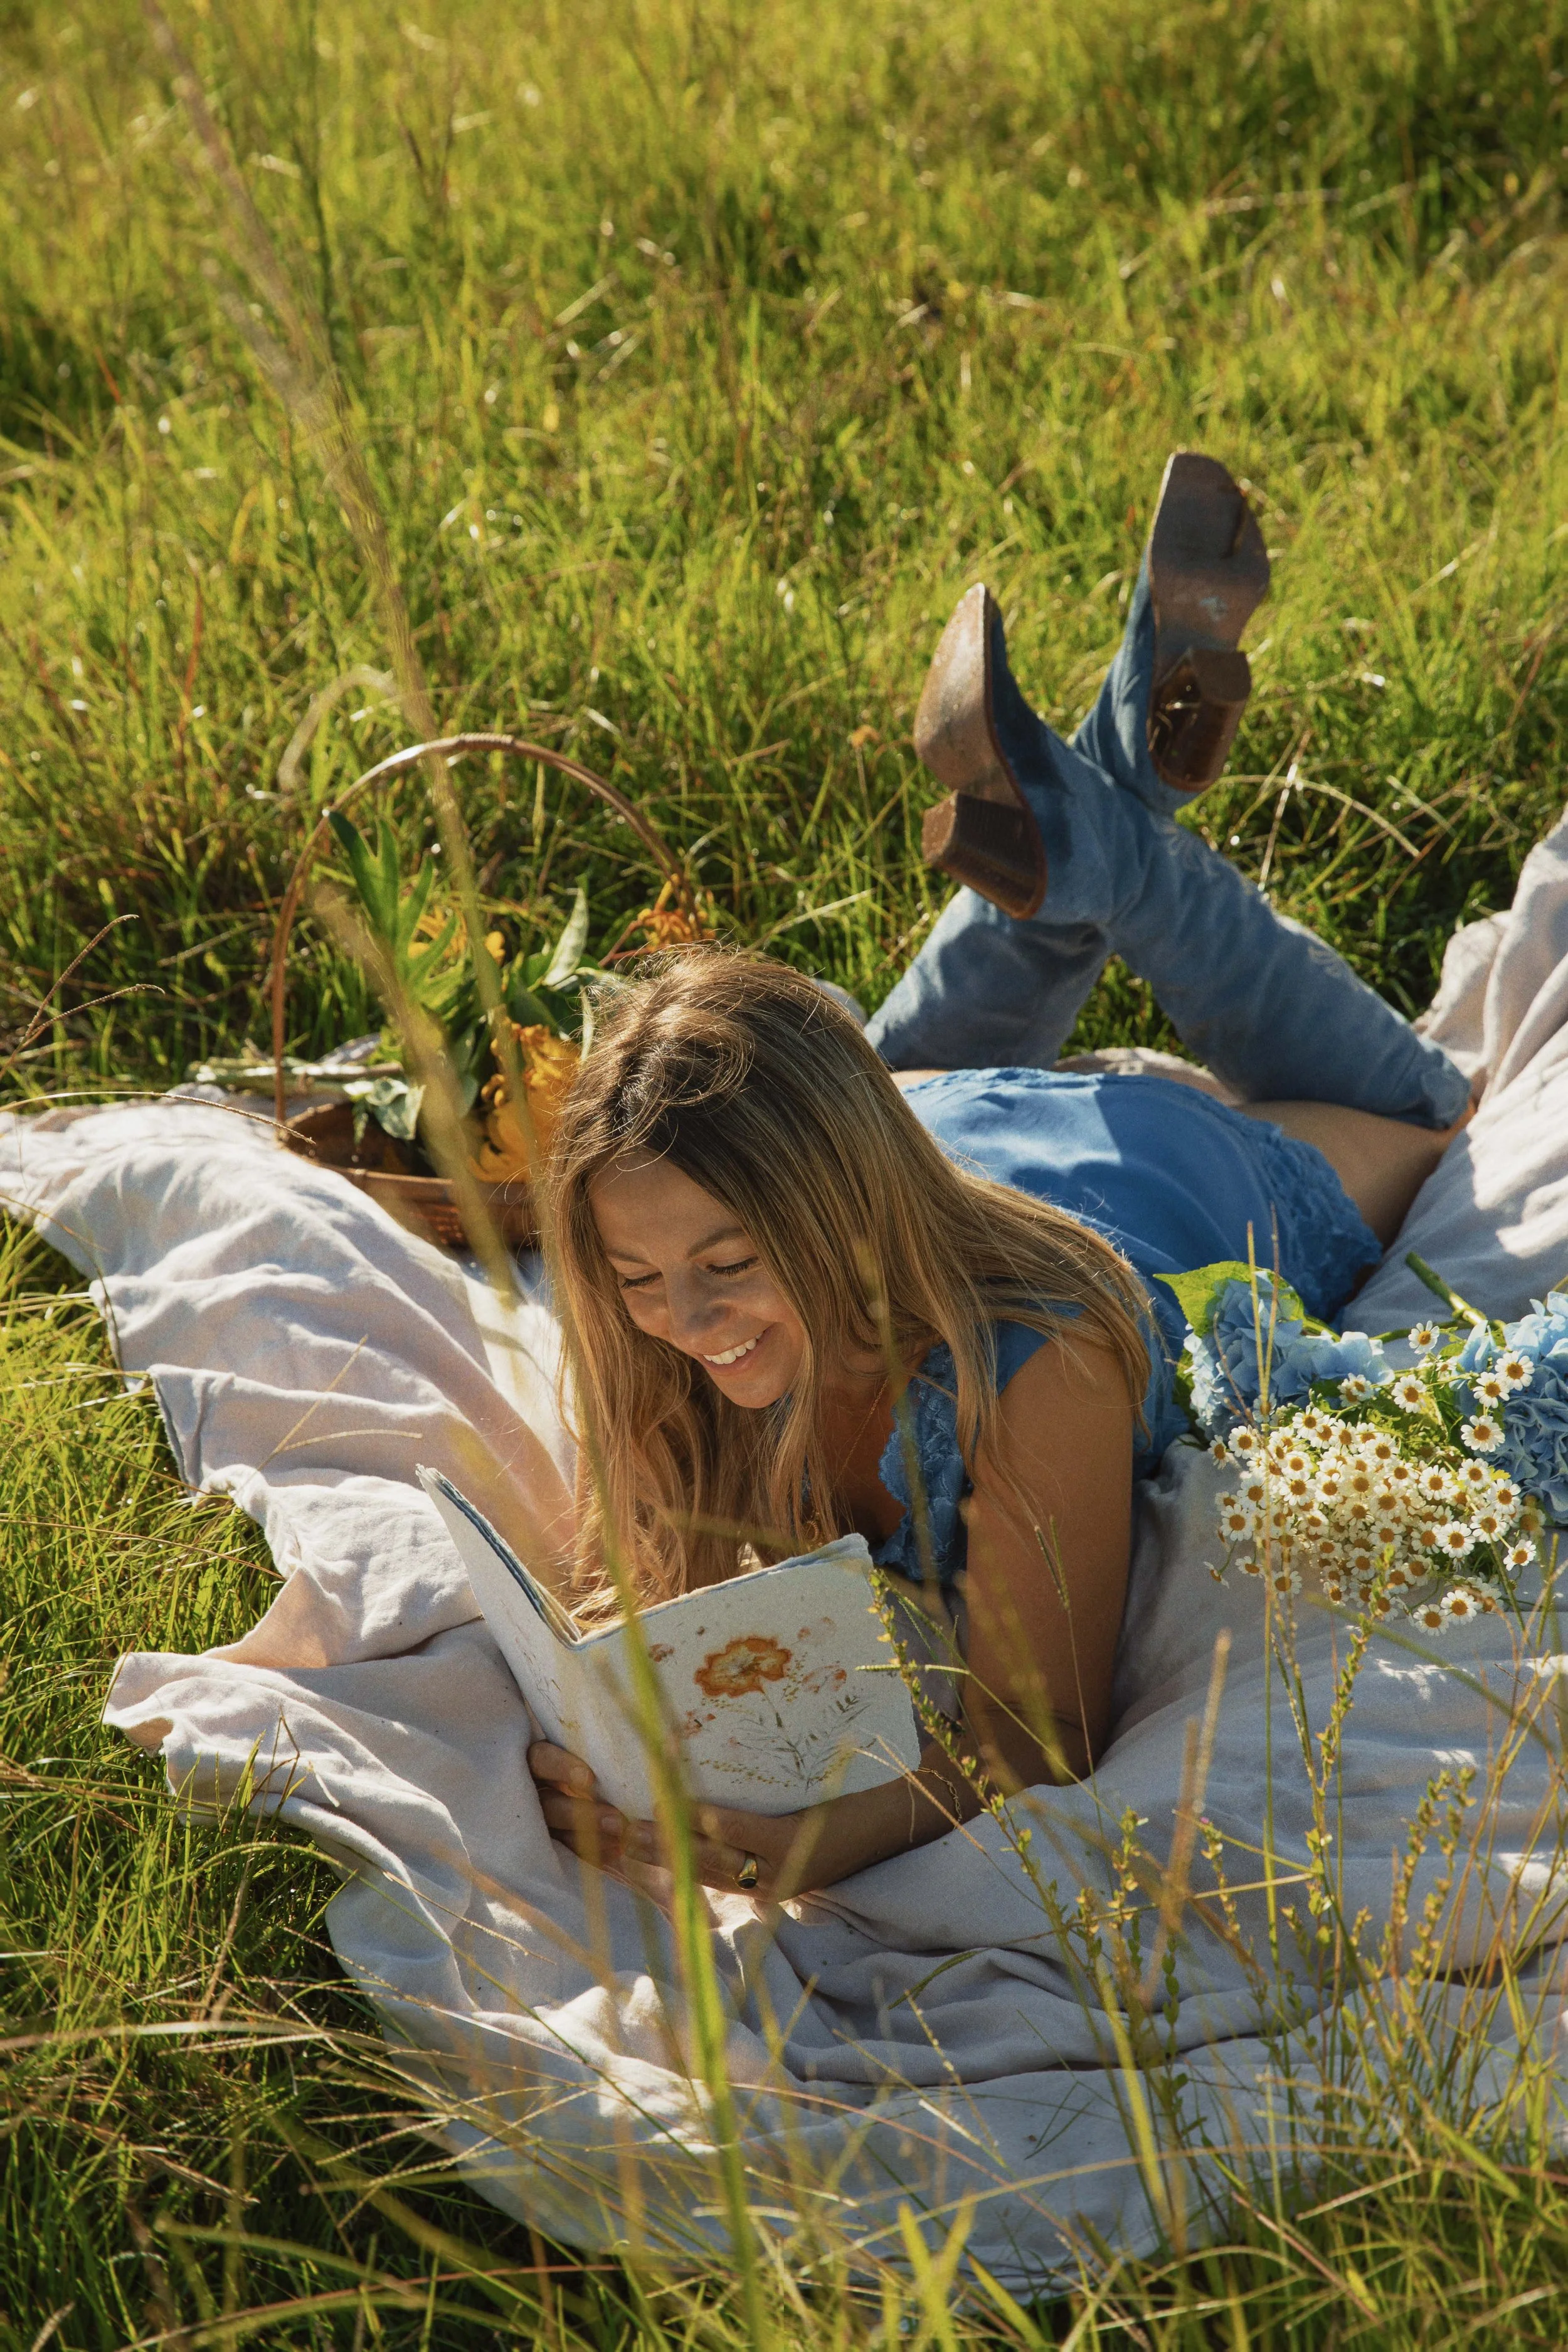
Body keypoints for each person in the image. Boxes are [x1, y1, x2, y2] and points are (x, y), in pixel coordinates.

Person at [527, 453, 1472, 1901]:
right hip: (920, 1118)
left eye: (723, 1266)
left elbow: (1034, 1740)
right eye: (641, 1277)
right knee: (844, 1080)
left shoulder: (1038, 1359)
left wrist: (800, 1848)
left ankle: (1113, 845)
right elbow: (634, 1592)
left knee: (1421, 1109)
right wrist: (594, 1722)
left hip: (1174, 1170)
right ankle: (1093, 796)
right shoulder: (670, 1308)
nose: (685, 1320)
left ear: (825, 1209)